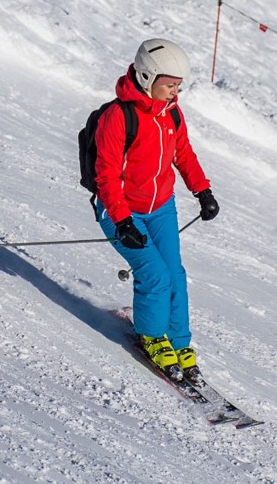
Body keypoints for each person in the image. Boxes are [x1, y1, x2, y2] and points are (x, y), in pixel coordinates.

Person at [95, 38, 219, 380]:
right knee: (155, 275)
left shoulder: (172, 114)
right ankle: (151, 336)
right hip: (120, 212)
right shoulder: (118, 117)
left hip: (161, 208)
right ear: (148, 78)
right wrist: (122, 221)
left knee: (175, 274)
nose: (174, 92)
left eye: (178, 86)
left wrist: (202, 190)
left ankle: (178, 342)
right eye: (169, 85)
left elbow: (184, 154)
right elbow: (105, 174)